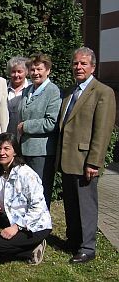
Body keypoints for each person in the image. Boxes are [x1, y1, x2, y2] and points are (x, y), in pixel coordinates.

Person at [56, 47, 116, 264]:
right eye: (75, 63)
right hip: (67, 159)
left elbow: (103, 130)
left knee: (86, 206)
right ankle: (73, 241)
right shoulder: (70, 91)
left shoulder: (102, 92)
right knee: (71, 204)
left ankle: (87, 247)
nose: (78, 67)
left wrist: (94, 162)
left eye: (83, 63)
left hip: (85, 161)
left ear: (93, 66)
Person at [0, 132, 52, 265]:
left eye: (6, 148)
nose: (1, 152)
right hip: (11, 217)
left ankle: (31, 250)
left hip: (33, 226)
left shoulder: (26, 174)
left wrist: (17, 227)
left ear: (15, 152)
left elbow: (38, 207)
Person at [17, 54, 61, 208]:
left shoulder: (53, 91)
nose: (35, 72)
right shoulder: (27, 89)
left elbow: (52, 122)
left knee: (40, 193)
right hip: (25, 150)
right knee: (26, 191)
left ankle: (41, 230)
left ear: (47, 70)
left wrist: (26, 126)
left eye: (39, 69)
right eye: (32, 69)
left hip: (41, 152)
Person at [6, 56, 30, 135]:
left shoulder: (32, 88)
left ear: (26, 72)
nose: (16, 75)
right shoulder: (3, 87)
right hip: (6, 132)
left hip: (24, 133)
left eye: (20, 71)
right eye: (13, 72)